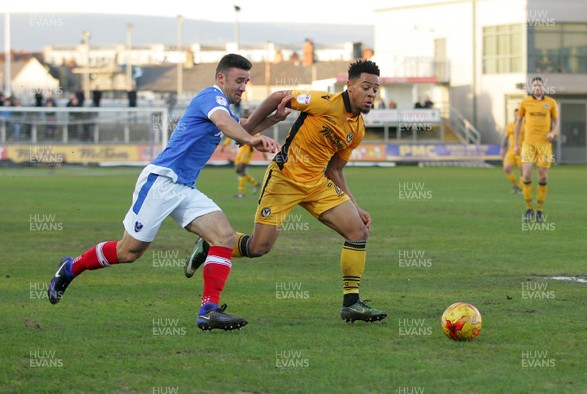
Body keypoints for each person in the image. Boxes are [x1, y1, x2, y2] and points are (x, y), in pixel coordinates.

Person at [48, 54, 290, 331]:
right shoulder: (211, 97)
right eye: (239, 80)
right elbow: (227, 124)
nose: (243, 87)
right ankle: (70, 268)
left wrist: (274, 118)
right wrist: (251, 140)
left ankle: (208, 310)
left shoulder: (220, 105)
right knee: (129, 252)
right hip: (161, 183)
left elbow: (240, 126)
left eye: (246, 81)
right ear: (221, 78)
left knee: (223, 236)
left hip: (184, 187)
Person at [185, 59, 388, 324]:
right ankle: (210, 243)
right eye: (366, 87)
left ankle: (352, 304)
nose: (371, 93)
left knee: (358, 231)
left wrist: (355, 206)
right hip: (284, 179)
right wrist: (246, 130)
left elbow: (335, 171)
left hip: (316, 183)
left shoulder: (357, 129)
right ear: (349, 86)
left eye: (375, 89)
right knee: (259, 248)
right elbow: (277, 97)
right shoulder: (323, 101)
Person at [514, 76, 559, 223]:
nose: (537, 88)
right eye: (535, 85)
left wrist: (552, 133)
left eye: (540, 85)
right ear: (532, 88)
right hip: (528, 144)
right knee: (526, 175)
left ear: (543, 87)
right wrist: (516, 143)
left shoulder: (551, 103)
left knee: (542, 177)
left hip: (545, 145)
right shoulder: (525, 102)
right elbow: (518, 123)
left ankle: (539, 210)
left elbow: (556, 121)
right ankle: (528, 208)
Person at [500, 108, 524, 194]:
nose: (517, 116)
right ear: (513, 115)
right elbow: (505, 137)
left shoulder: (525, 125)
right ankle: (515, 185)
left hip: (522, 151)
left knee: (522, 171)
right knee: (506, 168)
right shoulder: (510, 125)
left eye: (519, 114)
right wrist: (502, 148)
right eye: (516, 114)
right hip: (511, 150)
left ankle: (521, 188)